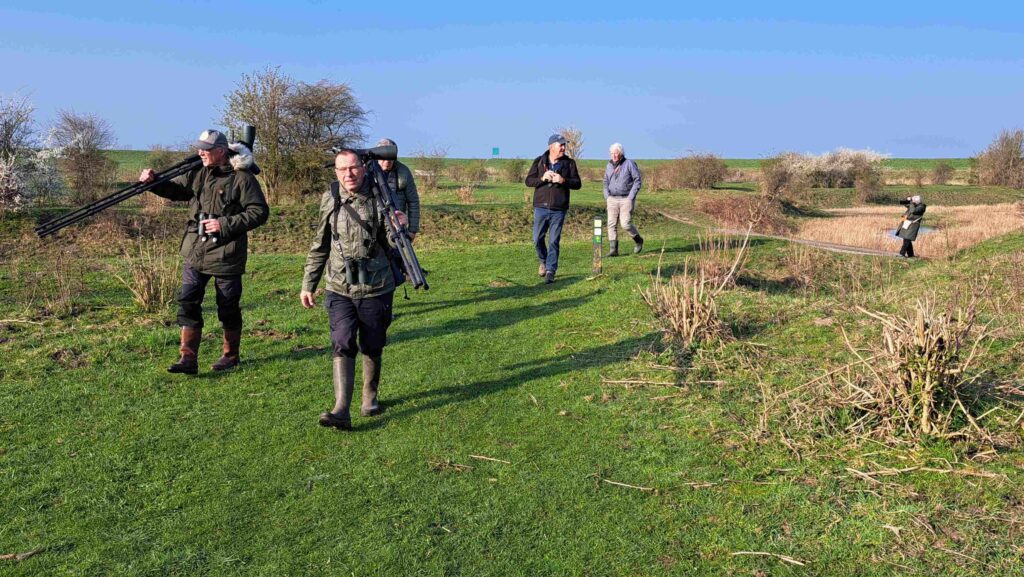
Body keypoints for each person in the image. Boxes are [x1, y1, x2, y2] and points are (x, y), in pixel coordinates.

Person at [140, 129, 269, 375]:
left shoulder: (242, 178)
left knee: (227, 306)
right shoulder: (198, 171)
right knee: (187, 301)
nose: (201, 152)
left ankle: (230, 356)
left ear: (221, 151)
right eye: (200, 147)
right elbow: (177, 192)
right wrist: (154, 183)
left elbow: (259, 212)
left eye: (206, 149)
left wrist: (225, 224)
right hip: (195, 250)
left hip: (226, 253)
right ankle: (187, 359)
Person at [300, 150, 408, 430]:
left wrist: (400, 227)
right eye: (341, 169)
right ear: (335, 172)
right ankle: (341, 409)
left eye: (353, 168)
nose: (348, 174)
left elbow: (395, 245)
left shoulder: (381, 197)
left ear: (363, 168)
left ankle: (369, 397)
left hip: (376, 285)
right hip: (338, 284)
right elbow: (319, 243)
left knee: (372, 343)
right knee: (342, 340)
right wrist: (308, 284)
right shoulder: (331, 197)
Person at [525, 134, 582, 283]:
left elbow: (577, 183)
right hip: (540, 207)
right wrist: (542, 178)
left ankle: (551, 271)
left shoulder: (570, 163)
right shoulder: (539, 161)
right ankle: (543, 261)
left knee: (553, 241)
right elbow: (528, 181)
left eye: (564, 145)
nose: (563, 148)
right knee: (537, 239)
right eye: (561, 145)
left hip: (559, 208)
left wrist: (563, 180)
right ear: (551, 147)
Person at [375, 138, 420, 241]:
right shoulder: (366, 170)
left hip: (396, 227)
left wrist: (412, 230)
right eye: (383, 158)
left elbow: (413, 201)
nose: (387, 162)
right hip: (372, 228)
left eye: (390, 159)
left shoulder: (403, 172)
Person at [602, 142, 643, 256]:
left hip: (626, 199)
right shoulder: (609, 165)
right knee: (611, 224)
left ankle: (638, 240)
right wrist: (607, 196)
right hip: (612, 199)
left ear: (621, 153)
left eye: (616, 153)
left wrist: (631, 197)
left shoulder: (629, 163)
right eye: (612, 153)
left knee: (625, 224)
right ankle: (613, 250)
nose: (614, 156)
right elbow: (605, 181)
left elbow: (637, 180)